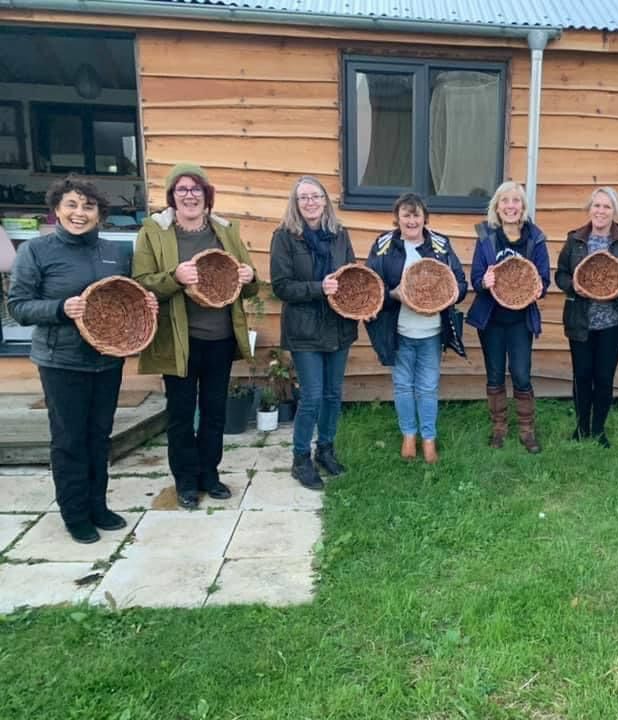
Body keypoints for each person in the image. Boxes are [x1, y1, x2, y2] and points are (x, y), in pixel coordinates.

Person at [7, 175, 158, 543]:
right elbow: (18, 307)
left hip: (107, 360)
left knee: (98, 435)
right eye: (71, 205)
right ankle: (75, 514)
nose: (80, 213)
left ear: (99, 213)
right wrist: (61, 308)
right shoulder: (36, 252)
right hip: (61, 362)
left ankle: (98, 506)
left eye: (88, 206)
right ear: (57, 210)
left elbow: (124, 298)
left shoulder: (112, 251)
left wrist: (146, 302)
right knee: (70, 439)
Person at [133, 163, 259, 510]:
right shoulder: (154, 231)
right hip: (179, 341)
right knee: (181, 413)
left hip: (219, 339)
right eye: (181, 189)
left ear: (207, 195)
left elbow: (247, 287)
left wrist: (250, 276)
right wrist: (174, 277)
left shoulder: (225, 230)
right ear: (172, 196)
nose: (189, 195)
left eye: (196, 189)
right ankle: (185, 481)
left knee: (215, 411)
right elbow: (142, 281)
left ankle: (209, 475)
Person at [365, 193, 467, 464]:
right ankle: (408, 435)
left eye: (416, 215)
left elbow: (460, 283)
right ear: (397, 218)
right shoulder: (384, 245)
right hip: (398, 330)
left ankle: (429, 438)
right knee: (402, 386)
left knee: (428, 387)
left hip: (432, 331)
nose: (411, 220)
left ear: (425, 217)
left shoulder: (441, 245)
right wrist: (394, 295)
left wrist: (447, 296)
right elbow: (371, 286)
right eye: (406, 215)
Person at [270, 177, 357, 490]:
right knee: (313, 396)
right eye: (303, 197)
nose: (309, 202)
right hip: (305, 329)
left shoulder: (339, 235)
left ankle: (326, 450)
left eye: (315, 196)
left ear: (325, 200)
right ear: (295, 203)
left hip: (338, 326)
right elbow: (281, 286)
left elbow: (351, 276)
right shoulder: (284, 237)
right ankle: (300, 458)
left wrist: (362, 300)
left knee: (333, 395)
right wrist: (319, 288)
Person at [555, 186, 618, 448]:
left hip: (613, 323)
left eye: (607, 206)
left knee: (604, 377)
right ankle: (582, 427)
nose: (601, 211)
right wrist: (573, 285)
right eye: (597, 205)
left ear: (615, 211)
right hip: (581, 321)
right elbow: (560, 274)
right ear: (589, 209)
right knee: (582, 375)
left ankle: (598, 430)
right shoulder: (575, 240)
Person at [466, 181, 551, 453]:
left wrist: (538, 287)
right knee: (494, 374)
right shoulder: (486, 237)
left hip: (520, 320)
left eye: (516, 201)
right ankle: (499, 427)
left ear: (523, 207)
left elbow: (544, 279)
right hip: (491, 319)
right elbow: (476, 278)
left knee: (521, 374)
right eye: (505, 201)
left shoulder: (535, 238)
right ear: (497, 207)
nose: (511, 206)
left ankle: (527, 429)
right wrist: (485, 280)